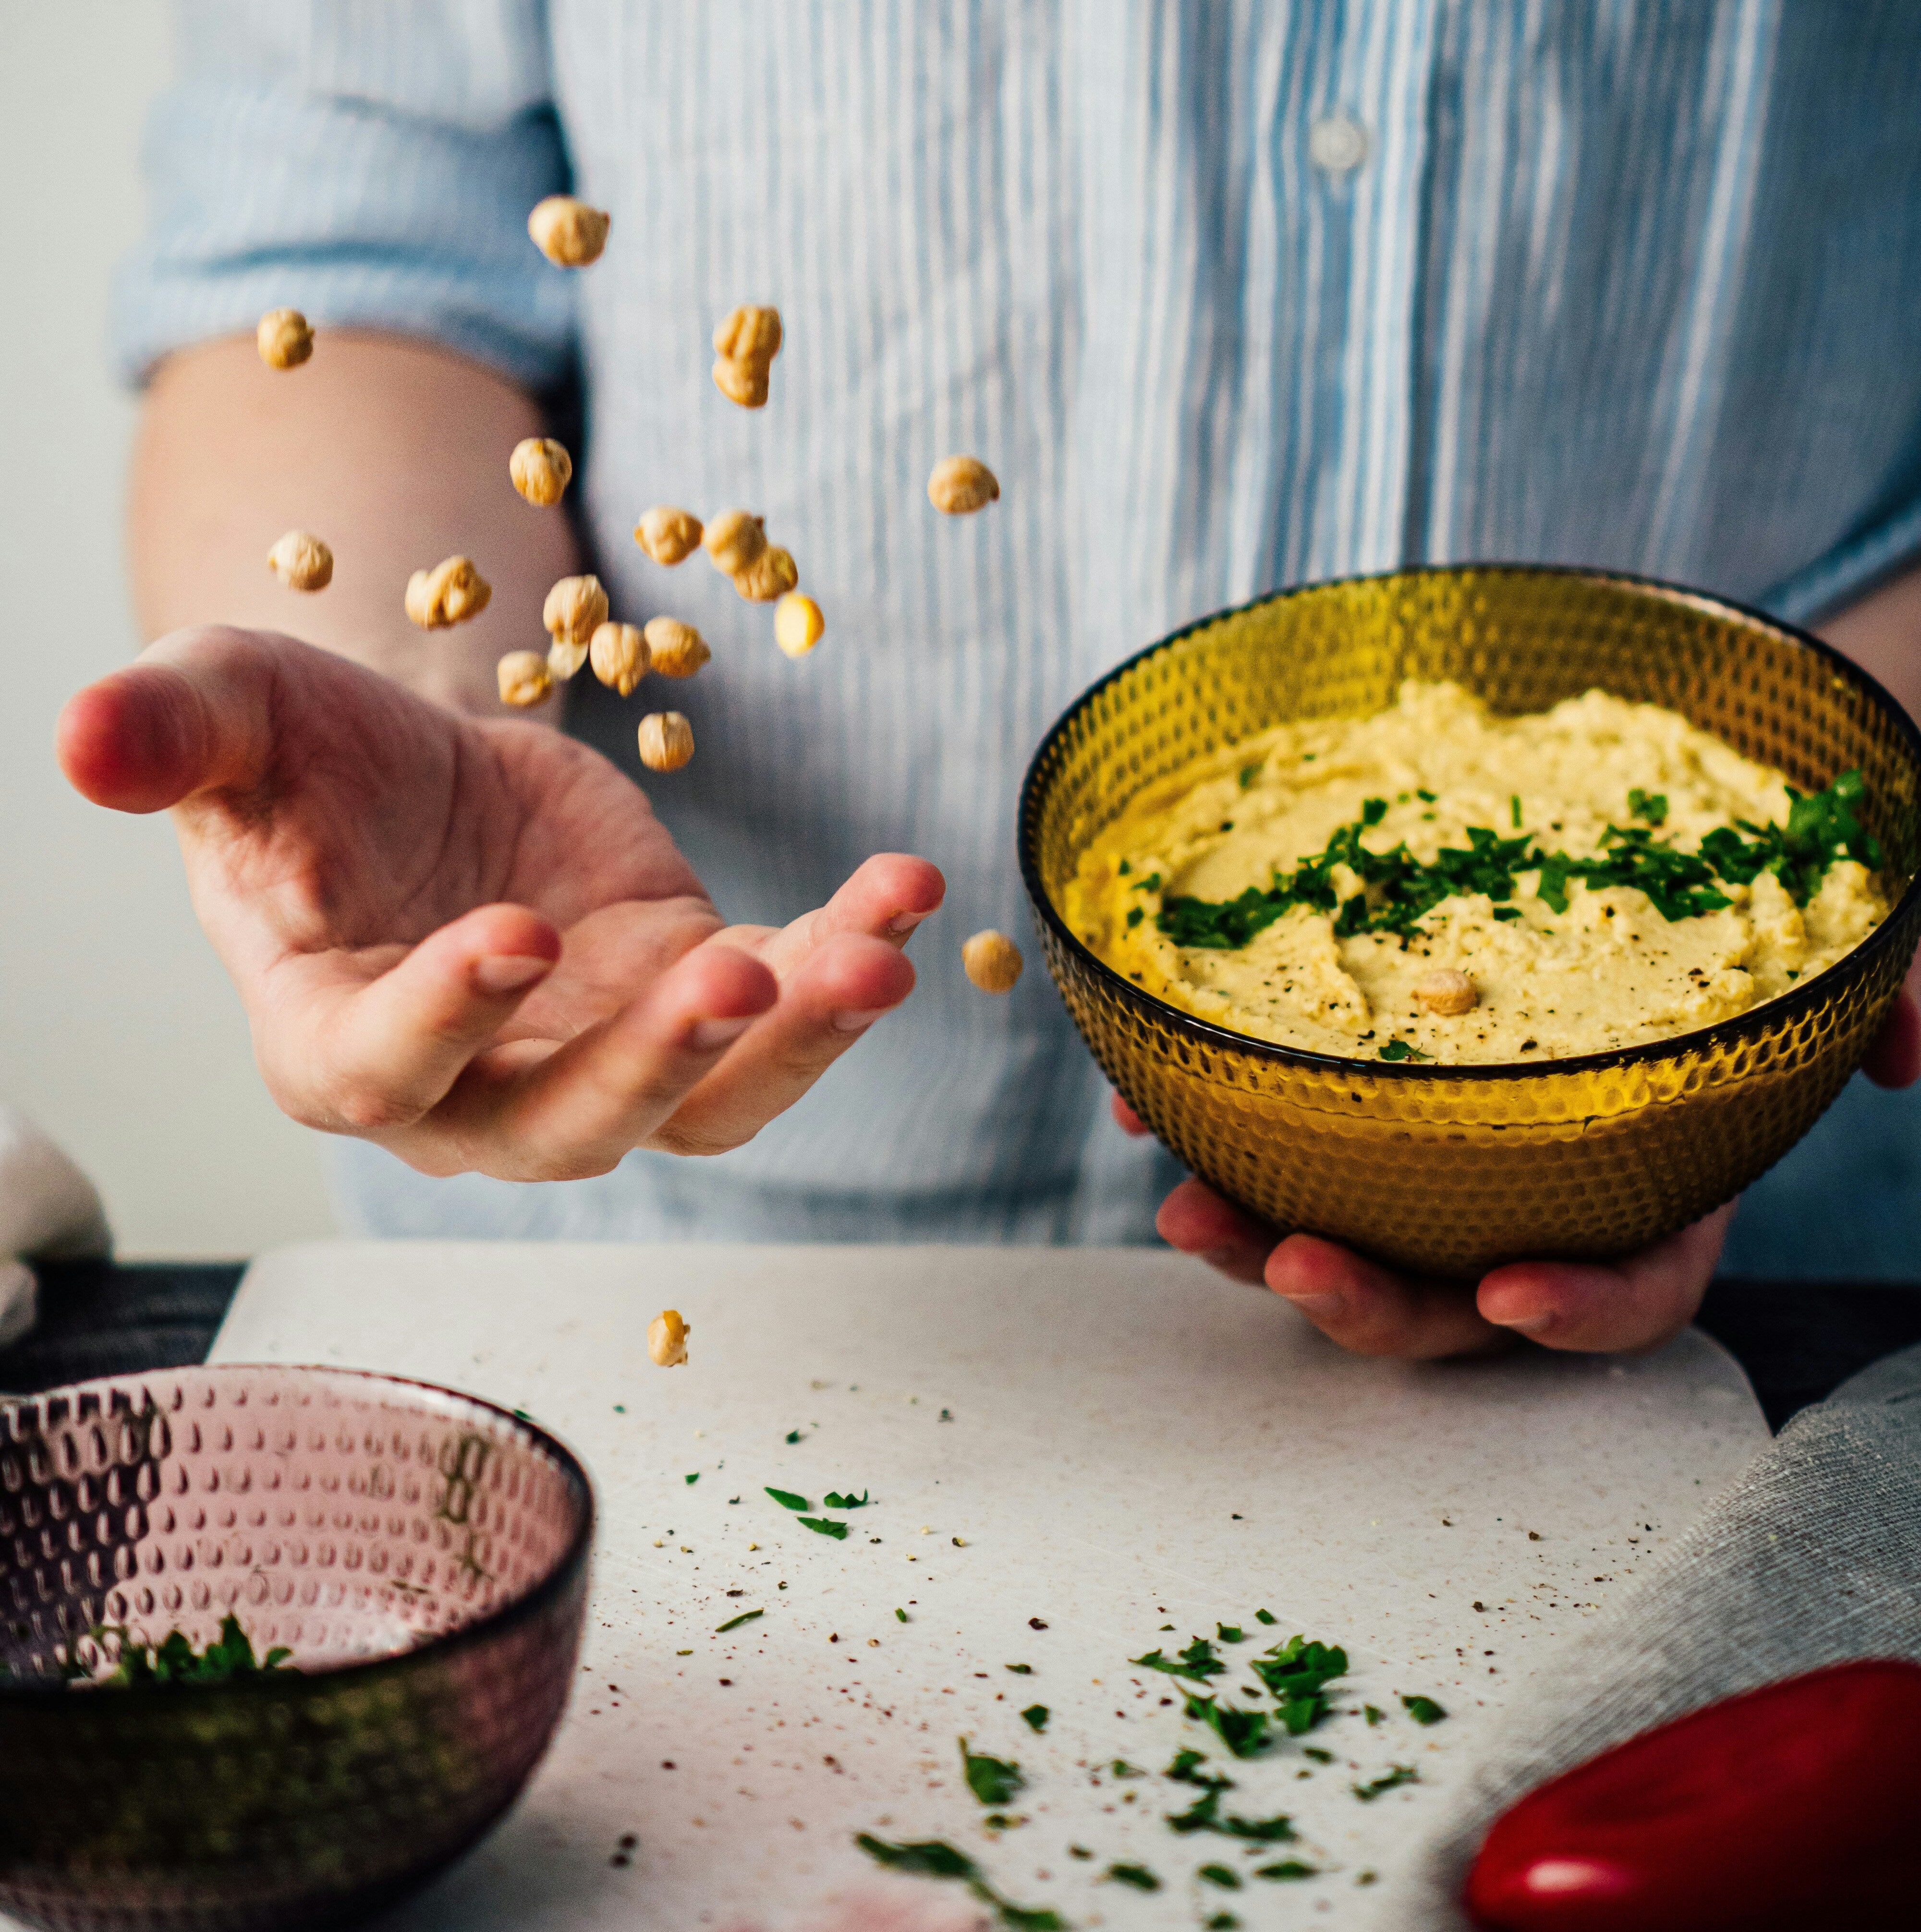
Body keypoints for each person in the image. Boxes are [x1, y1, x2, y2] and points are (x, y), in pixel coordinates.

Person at [60, 4, 1921, 1362]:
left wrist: (1843, 860)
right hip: (685, 1290)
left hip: (1780, 1262)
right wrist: (417, 711)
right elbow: (333, 265)